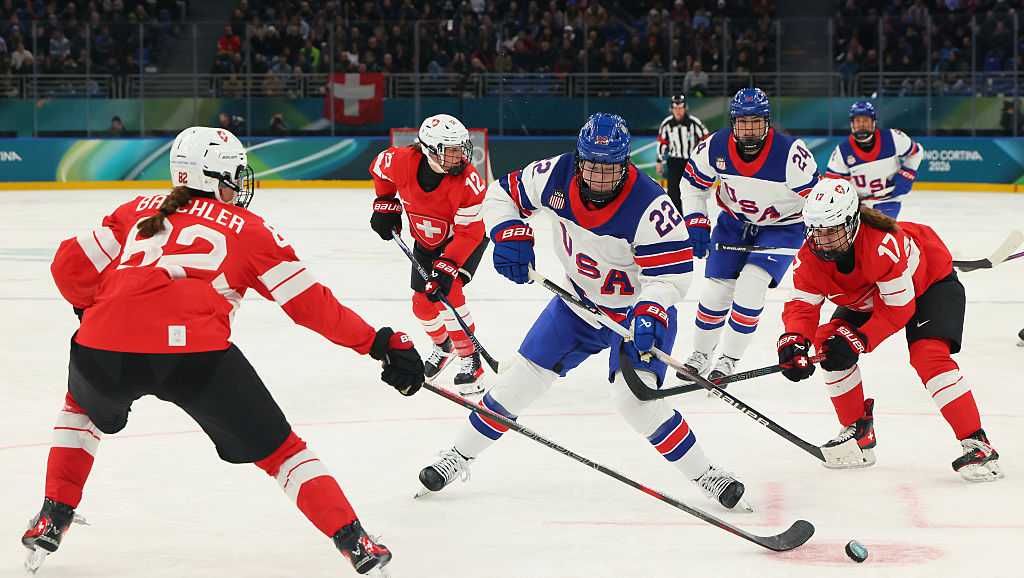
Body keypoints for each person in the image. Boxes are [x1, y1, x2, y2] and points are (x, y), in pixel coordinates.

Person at [21, 127, 424, 576]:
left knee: (80, 410)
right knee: (283, 452)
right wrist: (378, 343)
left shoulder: (134, 209)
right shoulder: (250, 230)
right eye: (233, 176)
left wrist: (93, 310)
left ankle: (52, 516)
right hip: (196, 357)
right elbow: (311, 306)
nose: (239, 186)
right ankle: (354, 541)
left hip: (104, 346)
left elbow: (68, 265)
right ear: (212, 177)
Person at [416, 113, 752, 512]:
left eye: (610, 169)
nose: (599, 177)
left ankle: (707, 473)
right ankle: (458, 455)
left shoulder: (650, 206)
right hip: (576, 305)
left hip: (637, 315)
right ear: (578, 159)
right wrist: (508, 232)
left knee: (635, 401)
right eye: (592, 165)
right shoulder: (554, 175)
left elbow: (673, 274)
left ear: (625, 163)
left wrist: (650, 309)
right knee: (516, 383)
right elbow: (501, 194)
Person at [777, 178, 1002, 482]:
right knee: (828, 344)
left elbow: (899, 309)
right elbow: (802, 306)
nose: (824, 240)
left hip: (929, 285)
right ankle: (858, 434)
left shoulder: (881, 246)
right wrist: (793, 340)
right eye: (817, 231)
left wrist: (858, 339)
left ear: (853, 222)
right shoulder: (809, 257)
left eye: (832, 231)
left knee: (928, 356)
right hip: (869, 294)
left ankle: (978, 443)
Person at [677, 88, 819, 383]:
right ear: (733, 122)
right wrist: (696, 220)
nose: (750, 130)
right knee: (716, 291)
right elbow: (692, 184)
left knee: (752, 284)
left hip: (783, 228)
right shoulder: (714, 147)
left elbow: (816, 197)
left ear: (767, 122)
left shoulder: (791, 154)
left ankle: (728, 359)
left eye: (756, 122)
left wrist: (821, 235)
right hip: (734, 223)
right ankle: (701, 354)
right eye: (743, 122)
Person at [368, 114, 489, 395]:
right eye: (451, 150)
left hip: (464, 241)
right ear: (430, 150)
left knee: (449, 292)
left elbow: (470, 232)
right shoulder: (401, 161)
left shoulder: (469, 182)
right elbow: (378, 168)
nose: (460, 156)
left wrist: (448, 266)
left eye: (461, 148)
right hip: (427, 243)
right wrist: (385, 202)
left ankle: (470, 358)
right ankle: (444, 346)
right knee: (421, 305)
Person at [824, 101, 924, 219]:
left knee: (881, 229)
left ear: (873, 122)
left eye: (865, 121)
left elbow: (916, 152)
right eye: (858, 121)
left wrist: (907, 174)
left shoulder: (892, 138)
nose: (862, 125)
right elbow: (833, 183)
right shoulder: (842, 151)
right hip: (858, 205)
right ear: (852, 124)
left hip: (888, 199)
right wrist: (847, 202)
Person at [656, 94, 709, 211]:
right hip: (674, 162)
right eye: (675, 108)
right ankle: (677, 216)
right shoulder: (666, 124)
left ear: (685, 108)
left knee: (693, 190)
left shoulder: (695, 123)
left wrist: (701, 156)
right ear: (671, 109)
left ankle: (694, 214)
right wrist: (659, 161)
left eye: (680, 108)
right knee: (673, 192)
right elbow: (662, 143)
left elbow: (706, 139)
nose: (678, 111)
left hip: (690, 162)